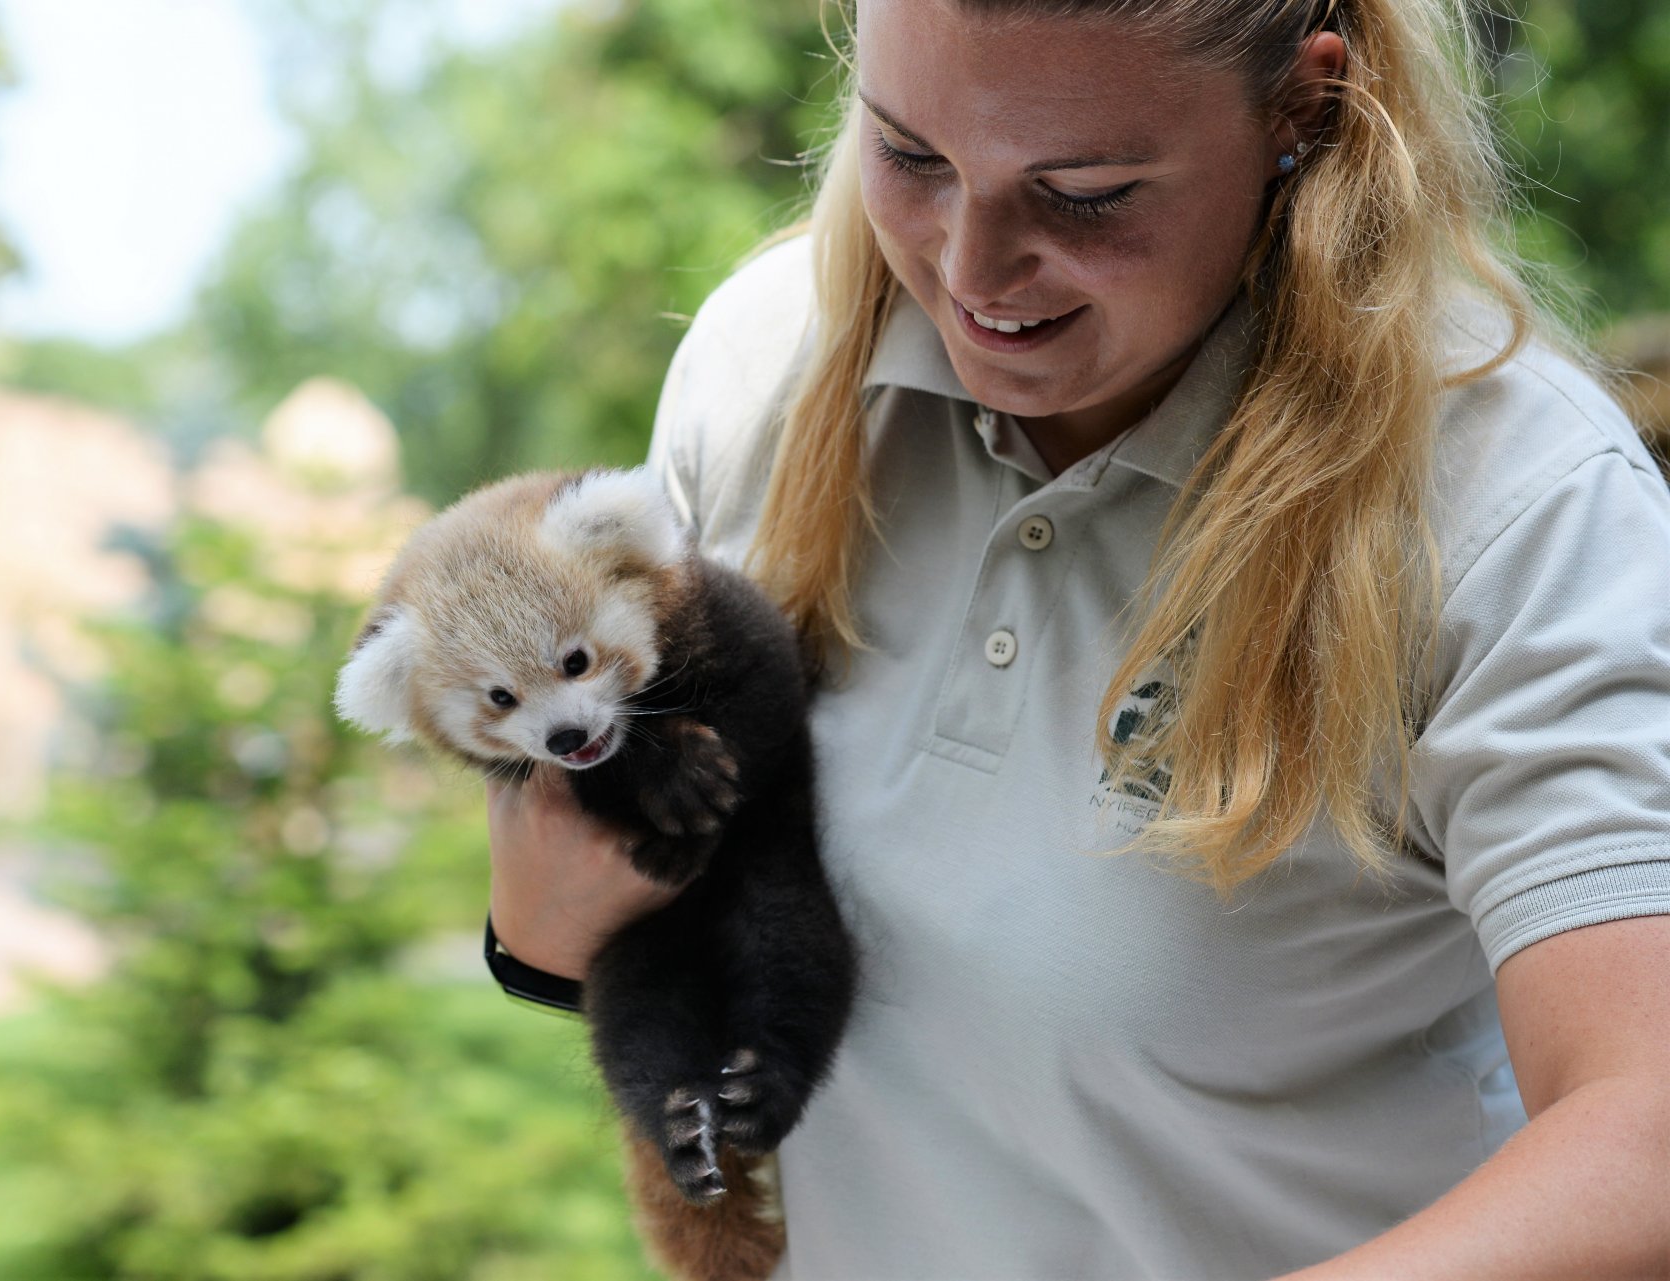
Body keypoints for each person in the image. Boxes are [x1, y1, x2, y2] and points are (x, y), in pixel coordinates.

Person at [487, 0, 1670, 1276]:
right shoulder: (764, 363)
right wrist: (552, 934)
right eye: (910, 154)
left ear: (1303, 107)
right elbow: (599, 903)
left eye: (1085, 193)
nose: (971, 269)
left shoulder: (1514, 501)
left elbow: (1643, 1136)